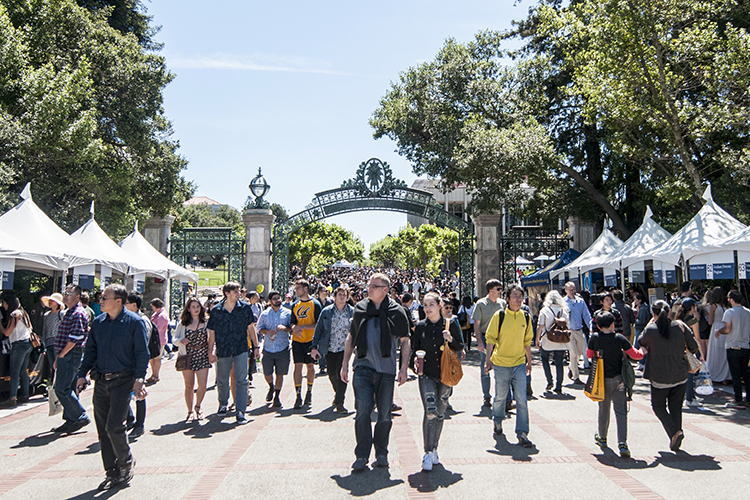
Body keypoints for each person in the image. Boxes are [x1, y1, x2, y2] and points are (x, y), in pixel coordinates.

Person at [75, 284, 149, 491]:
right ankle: (111, 472)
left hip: (123, 381)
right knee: (102, 430)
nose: (101, 300)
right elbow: (90, 351)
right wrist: (82, 374)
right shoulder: (98, 323)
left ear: (118, 301)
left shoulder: (134, 323)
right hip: (101, 381)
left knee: (114, 426)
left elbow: (142, 353)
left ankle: (126, 462)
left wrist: (140, 379)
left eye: (105, 297)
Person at [341, 273, 410, 471]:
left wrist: (404, 367)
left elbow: (405, 340)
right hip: (362, 366)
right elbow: (351, 336)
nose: (368, 288)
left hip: (386, 370)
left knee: (385, 415)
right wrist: (345, 363)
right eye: (369, 285)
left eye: (374, 286)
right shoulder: (361, 308)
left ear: (385, 290)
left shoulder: (396, 311)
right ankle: (362, 454)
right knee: (362, 411)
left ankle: (381, 452)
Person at [410, 292, 463, 471]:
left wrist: (450, 339)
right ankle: (427, 451)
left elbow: (460, 347)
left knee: (440, 413)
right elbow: (413, 351)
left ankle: (434, 449)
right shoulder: (420, 327)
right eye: (425, 305)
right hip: (427, 375)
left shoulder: (450, 324)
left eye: (431, 304)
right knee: (430, 411)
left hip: (445, 375)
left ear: (439, 305)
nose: (427, 308)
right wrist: (414, 363)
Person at [638, 300, 699, 451]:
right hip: (680, 374)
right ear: (670, 311)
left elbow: (640, 341)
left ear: (653, 313)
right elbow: (694, 347)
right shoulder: (680, 326)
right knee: (676, 407)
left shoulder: (651, 329)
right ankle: (676, 437)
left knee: (658, 406)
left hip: (659, 376)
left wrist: (649, 324)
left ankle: (675, 433)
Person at [587, 311, 644, 458]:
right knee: (621, 412)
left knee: (603, 409)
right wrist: (642, 351)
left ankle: (602, 437)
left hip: (601, 380)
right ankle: (622, 443)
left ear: (598, 326)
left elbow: (588, 354)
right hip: (619, 380)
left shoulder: (595, 338)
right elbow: (635, 355)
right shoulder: (619, 338)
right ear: (613, 324)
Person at [484, 284, 534, 448]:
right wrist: (488, 359)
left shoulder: (525, 317)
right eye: (515, 296)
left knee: (521, 400)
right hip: (501, 364)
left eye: (520, 296)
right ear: (507, 298)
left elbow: (527, 341)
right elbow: (490, 338)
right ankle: (497, 421)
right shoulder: (500, 316)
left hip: (519, 363)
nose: (518, 299)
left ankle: (522, 433)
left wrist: (529, 361)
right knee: (500, 397)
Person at [207, 282, 259, 424]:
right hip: (223, 349)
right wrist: (210, 351)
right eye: (235, 291)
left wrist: (256, 347)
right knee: (222, 379)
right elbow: (212, 332)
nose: (239, 293)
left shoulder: (245, 308)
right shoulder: (216, 310)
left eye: (239, 291)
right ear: (227, 293)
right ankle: (223, 403)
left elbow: (251, 328)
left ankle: (240, 410)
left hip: (241, 348)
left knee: (242, 380)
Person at [52, 285, 91, 433]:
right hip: (67, 354)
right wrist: (59, 355)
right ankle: (70, 420)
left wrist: (62, 354)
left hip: (71, 353)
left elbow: (76, 336)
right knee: (69, 387)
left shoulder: (78, 313)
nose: (66, 296)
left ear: (78, 297)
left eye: (69, 293)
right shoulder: (69, 312)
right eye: (66, 293)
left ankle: (79, 416)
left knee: (62, 388)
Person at [311, 285, 355, 413]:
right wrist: (314, 346)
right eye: (339, 294)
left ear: (347, 298)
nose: (342, 297)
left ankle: (340, 402)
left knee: (342, 373)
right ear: (334, 297)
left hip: (345, 348)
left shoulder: (352, 311)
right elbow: (319, 329)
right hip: (329, 347)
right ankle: (338, 394)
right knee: (331, 373)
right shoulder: (326, 311)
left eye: (344, 295)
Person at [173, 297, 213, 422]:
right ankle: (190, 410)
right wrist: (180, 341)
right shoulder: (183, 324)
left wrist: (211, 352)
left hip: (202, 355)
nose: (196, 309)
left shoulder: (206, 322)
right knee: (189, 385)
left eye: (197, 306)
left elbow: (211, 339)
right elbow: (174, 340)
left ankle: (198, 406)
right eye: (193, 307)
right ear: (188, 309)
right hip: (187, 355)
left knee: (202, 385)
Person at [472, 279, 507, 408]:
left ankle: (504, 397)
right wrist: (479, 342)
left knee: (502, 367)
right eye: (498, 289)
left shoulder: (503, 303)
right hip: (486, 338)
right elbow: (476, 325)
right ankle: (486, 396)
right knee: (485, 367)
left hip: (501, 339)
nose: (500, 292)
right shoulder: (481, 304)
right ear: (490, 290)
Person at [256, 290, 292, 408]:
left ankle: (277, 396)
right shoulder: (265, 314)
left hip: (283, 347)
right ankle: (271, 386)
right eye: (275, 298)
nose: (278, 300)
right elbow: (259, 328)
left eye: (279, 298)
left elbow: (292, 328)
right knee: (267, 372)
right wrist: (267, 331)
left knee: (280, 373)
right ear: (270, 301)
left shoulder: (287, 313)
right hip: (268, 348)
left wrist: (285, 328)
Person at [290, 279, 322, 409]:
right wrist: (294, 328)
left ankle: (309, 391)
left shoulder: (315, 304)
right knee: (297, 367)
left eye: (298, 288)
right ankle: (298, 395)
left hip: (310, 340)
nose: (296, 290)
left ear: (306, 288)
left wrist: (303, 327)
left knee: (310, 366)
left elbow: (318, 325)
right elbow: (292, 322)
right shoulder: (295, 305)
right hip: (297, 341)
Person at [715, 290, 750, 409]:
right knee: (746, 374)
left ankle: (738, 400)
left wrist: (719, 331)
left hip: (733, 346)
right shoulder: (748, 312)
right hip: (745, 346)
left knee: (735, 375)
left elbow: (727, 329)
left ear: (732, 300)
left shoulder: (729, 312)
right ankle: (748, 399)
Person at [124, 293, 151, 438]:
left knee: (139, 394)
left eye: (126, 302)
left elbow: (142, 345)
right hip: (126, 363)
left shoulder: (141, 321)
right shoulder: (127, 319)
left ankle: (139, 425)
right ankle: (130, 419)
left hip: (137, 363)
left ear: (134, 305)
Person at [1, 294, 34, 408]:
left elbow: (7, 332)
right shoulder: (23, 312)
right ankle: (25, 395)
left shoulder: (14, 314)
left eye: (4, 303)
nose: (3, 306)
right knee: (23, 371)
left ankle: (12, 398)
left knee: (14, 372)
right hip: (27, 343)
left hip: (19, 344)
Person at [536, 290, 570, 394]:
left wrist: (537, 339)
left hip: (547, 339)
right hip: (561, 340)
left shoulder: (545, 310)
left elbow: (540, 325)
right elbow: (568, 325)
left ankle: (549, 381)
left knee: (545, 359)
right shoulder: (564, 310)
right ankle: (559, 385)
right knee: (559, 363)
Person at [674, 298, 704, 407]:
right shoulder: (693, 321)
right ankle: (690, 398)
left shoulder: (677, 320)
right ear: (693, 307)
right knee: (691, 374)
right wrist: (702, 354)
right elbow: (697, 338)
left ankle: (689, 397)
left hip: (678, 349)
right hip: (689, 350)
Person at [563, 282, 592, 385]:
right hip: (569, 331)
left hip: (579, 330)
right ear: (566, 290)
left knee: (579, 353)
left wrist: (590, 327)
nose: (572, 291)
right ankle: (576, 377)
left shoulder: (580, 301)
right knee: (573, 353)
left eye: (573, 289)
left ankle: (572, 367)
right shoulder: (563, 302)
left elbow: (586, 315)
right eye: (570, 290)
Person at [706, 287, 731, 383]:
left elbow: (710, 321)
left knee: (715, 352)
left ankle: (714, 374)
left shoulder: (713, 306)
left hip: (716, 328)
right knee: (724, 353)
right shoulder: (727, 306)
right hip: (725, 328)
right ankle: (725, 376)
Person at [41, 292, 65, 380]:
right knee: (52, 365)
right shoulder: (46, 315)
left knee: (57, 364)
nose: (50, 302)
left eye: (52, 301)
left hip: (58, 342)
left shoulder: (62, 314)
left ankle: (57, 384)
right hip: (48, 342)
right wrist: (43, 343)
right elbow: (45, 329)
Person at [146, 298, 169, 384]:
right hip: (154, 339)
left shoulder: (162, 316)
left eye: (152, 306)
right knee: (152, 357)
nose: (152, 308)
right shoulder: (157, 314)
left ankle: (156, 375)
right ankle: (153, 374)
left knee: (157, 358)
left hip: (159, 339)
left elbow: (158, 328)